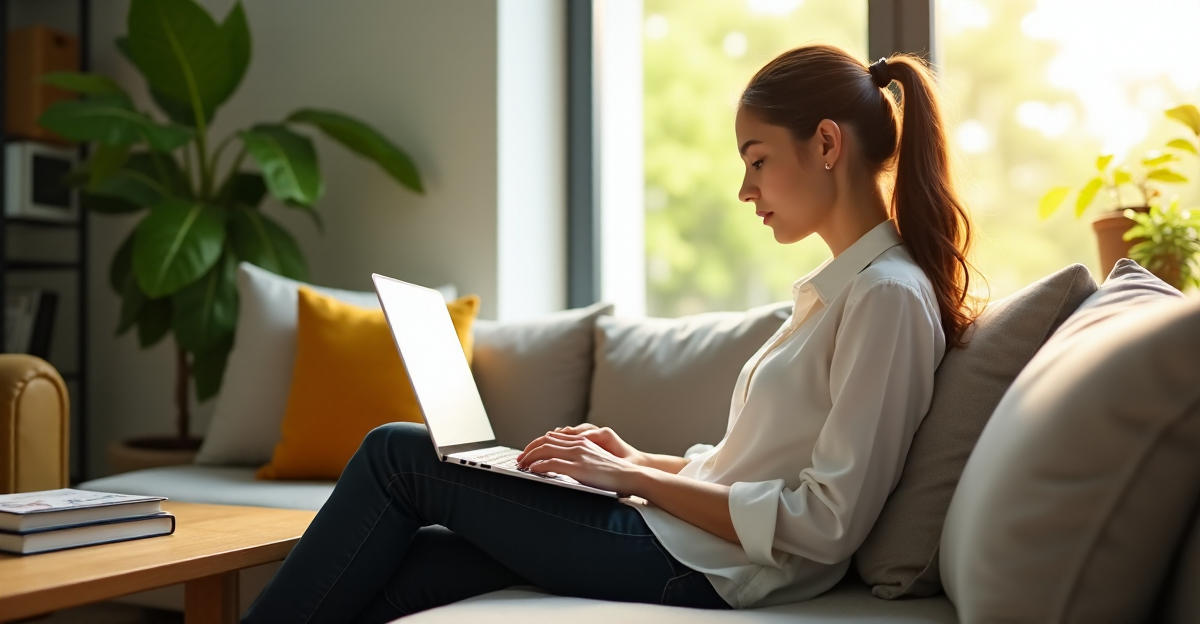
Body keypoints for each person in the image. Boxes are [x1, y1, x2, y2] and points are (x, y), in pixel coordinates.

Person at [242, 44, 977, 623]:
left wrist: (630, 480)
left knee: (397, 455)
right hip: (686, 543)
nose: (745, 189)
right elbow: (750, 472)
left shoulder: (887, 298)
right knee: (415, 570)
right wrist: (634, 459)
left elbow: (824, 523)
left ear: (825, 143)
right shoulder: (842, 291)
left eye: (757, 160)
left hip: (711, 571)